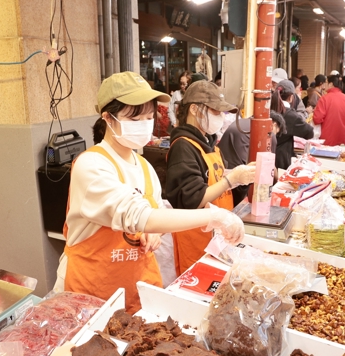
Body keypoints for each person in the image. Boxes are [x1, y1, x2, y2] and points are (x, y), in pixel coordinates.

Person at [61, 72, 245, 312]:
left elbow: (154, 214)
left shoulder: (144, 167)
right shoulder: (91, 164)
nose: (144, 125)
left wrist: (154, 234)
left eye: (148, 117)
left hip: (139, 292)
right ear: (107, 117)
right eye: (135, 119)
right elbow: (139, 216)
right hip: (94, 297)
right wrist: (216, 216)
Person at [164, 81, 256, 274]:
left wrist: (240, 180)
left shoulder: (210, 144)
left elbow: (218, 189)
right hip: (197, 239)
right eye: (215, 112)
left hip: (219, 239)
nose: (221, 117)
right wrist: (230, 180)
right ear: (195, 109)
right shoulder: (183, 147)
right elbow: (192, 198)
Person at [270, 85, 314, 168]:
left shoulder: (268, 109)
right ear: (291, 97)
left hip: (266, 157)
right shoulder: (291, 115)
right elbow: (309, 132)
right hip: (281, 160)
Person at [312, 74, 345, 146]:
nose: (325, 85)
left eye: (326, 83)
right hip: (343, 138)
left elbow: (317, 119)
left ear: (331, 84)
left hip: (326, 139)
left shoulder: (324, 99)